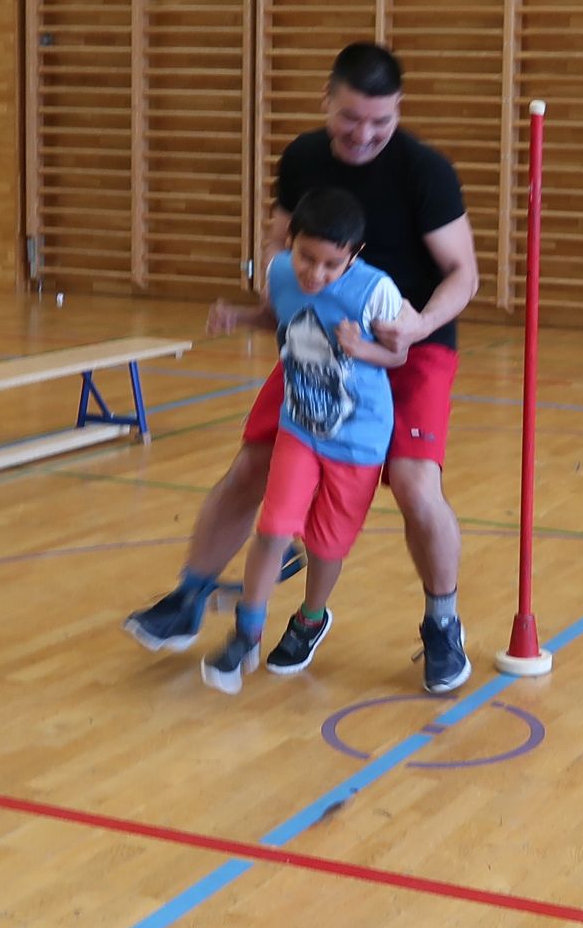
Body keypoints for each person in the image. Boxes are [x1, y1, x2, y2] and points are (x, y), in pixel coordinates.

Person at [124, 43, 480, 693]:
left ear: (398, 111)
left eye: (380, 121)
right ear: (327, 100)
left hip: (409, 343)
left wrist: (417, 325)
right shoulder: (304, 158)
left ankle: (441, 623)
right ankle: (190, 596)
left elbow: (464, 273)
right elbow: (278, 240)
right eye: (350, 118)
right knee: (251, 465)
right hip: (320, 343)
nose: (364, 134)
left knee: (414, 485)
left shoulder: (425, 171)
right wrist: (276, 296)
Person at [138, 190, 410, 693]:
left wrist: (363, 349)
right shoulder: (281, 273)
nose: (315, 274)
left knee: (326, 545)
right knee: (273, 528)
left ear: (354, 255)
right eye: (306, 257)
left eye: (331, 265)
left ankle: (311, 617)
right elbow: (278, 316)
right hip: (299, 428)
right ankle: (247, 634)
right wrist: (239, 317)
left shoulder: (377, 292)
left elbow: (399, 355)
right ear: (291, 242)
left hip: (357, 442)